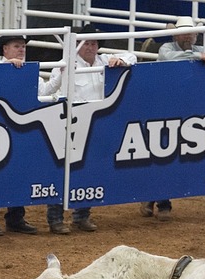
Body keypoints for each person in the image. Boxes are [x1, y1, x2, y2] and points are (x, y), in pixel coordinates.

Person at [139, 16, 205, 222]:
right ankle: (158, 200)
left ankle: (154, 199)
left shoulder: (199, 49)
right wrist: (197, 56)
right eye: (184, 33)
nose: (188, 36)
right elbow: (170, 58)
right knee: (160, 154)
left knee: (166, 154)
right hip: (163, 107)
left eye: (191, 33)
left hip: (184, 110)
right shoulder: (167, 48)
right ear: (176, 34)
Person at [42, 24, 137, 234]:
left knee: (91, 169)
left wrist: (121, 60)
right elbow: (49, 90)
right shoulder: (65, 64)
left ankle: (81, 216)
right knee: (62, 171)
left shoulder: (104, 61)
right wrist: (61, 75)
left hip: (97, 121)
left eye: (95, 43)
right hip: (71, 122)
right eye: (87, 43)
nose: (92, 47)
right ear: (77, 45)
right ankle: (55, 218)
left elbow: (132, 56)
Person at [0, 34, 40, 237]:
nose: (22, 49)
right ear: (5, 49)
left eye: (23, 46)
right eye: (17, 46)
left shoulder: (28, 71)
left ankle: (15, 217)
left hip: (19, 127)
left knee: (19, 171)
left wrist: (60, 75)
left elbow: (45, 91)